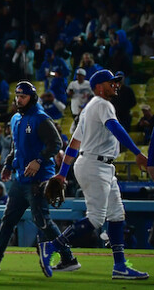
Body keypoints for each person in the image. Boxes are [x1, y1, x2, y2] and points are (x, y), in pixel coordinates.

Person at [38, 70, 149, 279]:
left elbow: (74, 143)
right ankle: (52, 247)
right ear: (99, 86)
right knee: (97, 219)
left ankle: (120, 266)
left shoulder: (90, 108)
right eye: (111, 82)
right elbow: (115, 127)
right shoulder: (102, 104)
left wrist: (63, 173)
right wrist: (137, 153)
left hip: (99, 165)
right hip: (94, 164)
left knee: (117, 215)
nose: (116, 85)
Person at [0, 81, 77, 272]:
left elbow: (55, 144)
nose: (19, 100)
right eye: (17, 96)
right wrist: (8, 165)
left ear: (32, 98)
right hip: (21, 179)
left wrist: (39, 159)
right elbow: (16, 147)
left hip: (39, 180)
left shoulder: (41, 118)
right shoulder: (16, 119)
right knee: (8, 220)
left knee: (42, 221)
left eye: (23, 97)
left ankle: (68, 258)